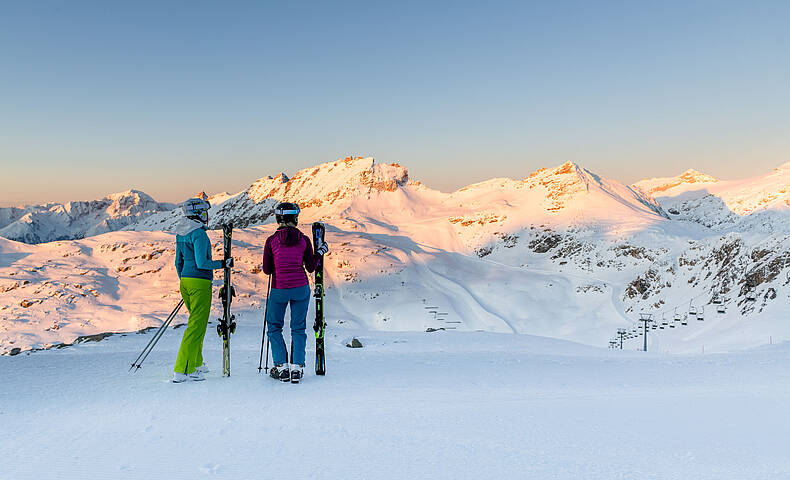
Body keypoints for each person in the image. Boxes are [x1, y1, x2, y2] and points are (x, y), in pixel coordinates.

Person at [262, 202, 328, 383]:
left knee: (274, 327)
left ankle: (281, 366)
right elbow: (311, 267)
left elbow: (267, 270)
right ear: (295, 219)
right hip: (301, 288)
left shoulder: (271, 241)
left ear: (278, 218)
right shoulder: (304, 240)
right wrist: (320, 252)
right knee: (298, 328)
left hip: (279, 288)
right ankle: (297, 367)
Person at [170, 197, 233, 383]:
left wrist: (185, 280)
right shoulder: (199, 234)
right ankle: (182, 370)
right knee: (196, 326)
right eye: (204, 212)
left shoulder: (181, 233)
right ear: (198, 213)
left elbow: (178, 263)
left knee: (197, 324)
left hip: (186, 282)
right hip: (200, 282)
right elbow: (202, 263)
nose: (207, 215)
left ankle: (196, 363)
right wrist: (224, 263)